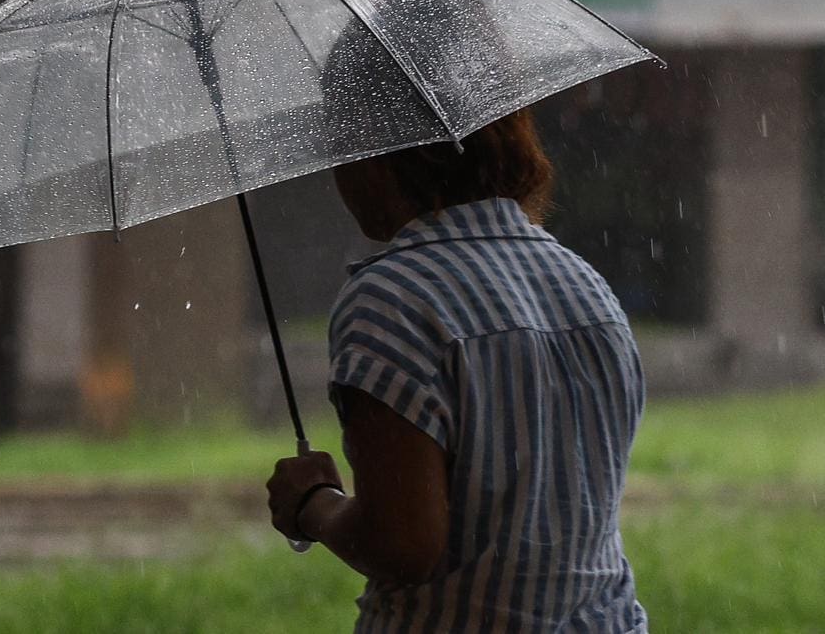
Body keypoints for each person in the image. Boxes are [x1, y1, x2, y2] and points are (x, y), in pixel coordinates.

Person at [264, 107, 649, 629]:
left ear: (375, 155)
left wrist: (311, 502)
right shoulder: (584, 285)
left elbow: (403, 544)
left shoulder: (392, 299)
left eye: (341, 146)